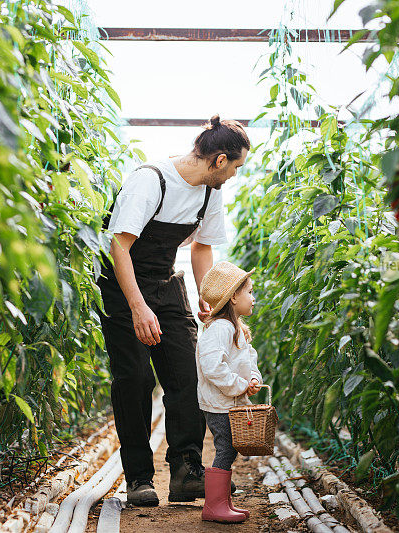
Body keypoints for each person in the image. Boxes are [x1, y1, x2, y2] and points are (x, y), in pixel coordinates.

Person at [96, 116, 251, 506]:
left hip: (166, 283)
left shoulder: (208, 192)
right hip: (121, 285)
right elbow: (119, 247)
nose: (234, 174)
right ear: (219, 160)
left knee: (187, 375)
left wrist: (214, 307)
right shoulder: (151, 181)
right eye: (235, 166)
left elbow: (201, 249)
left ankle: (186, 471)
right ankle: (138, 479)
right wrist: (137, 307)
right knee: (134, 380)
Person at [195, 261, 262, 523]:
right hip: (220, 403)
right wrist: (239, 384)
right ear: (234, 297)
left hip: (230, 401)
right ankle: (214, 506)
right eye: (249, 292)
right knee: (226, 448)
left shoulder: (235, 329)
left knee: (229, 448)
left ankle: (222, 502)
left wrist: (253, 379)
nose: (253, 298)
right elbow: (212, 366)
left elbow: (249, 360)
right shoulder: (220, 329)